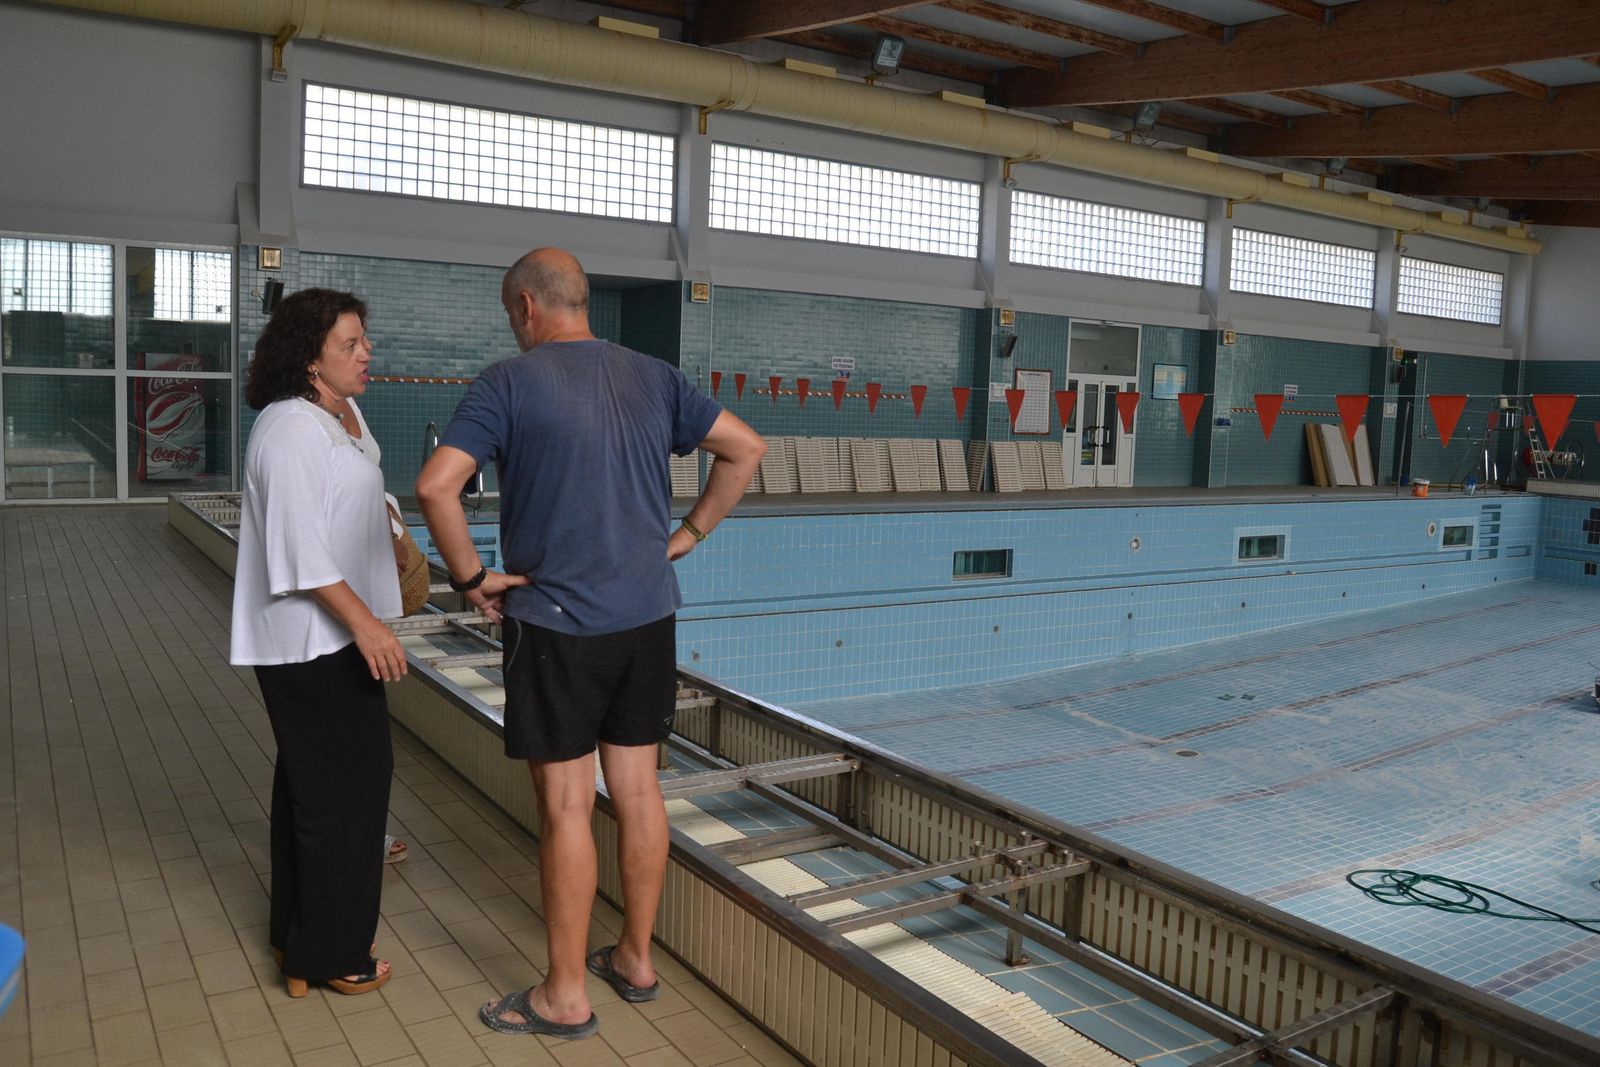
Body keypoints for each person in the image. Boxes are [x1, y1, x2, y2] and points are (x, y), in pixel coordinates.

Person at [416, 249, 765, 1040]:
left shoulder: (508, 381)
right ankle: (636, 958)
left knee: (569, 802)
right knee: (638, 790)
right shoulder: (655, 375)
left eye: (514, 314)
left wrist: (471, 575)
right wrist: (687, 535)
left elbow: (436, 485)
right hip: (647, 618)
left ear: (528, 309)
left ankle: (565, 994)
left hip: (557, 625)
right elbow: (746, 448)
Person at [231, 288, 407, 998]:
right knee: (350, 791)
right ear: (310, 359)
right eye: (350, 345)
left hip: (329, 635)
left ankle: (299, 939)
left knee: (316, 788)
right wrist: (366, 624)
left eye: (366, 340)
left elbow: (361, 471)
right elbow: (298, 548)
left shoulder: (335, 413)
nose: (367, 353)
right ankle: (335, 953)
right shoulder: (291, 428)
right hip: (316, 639)